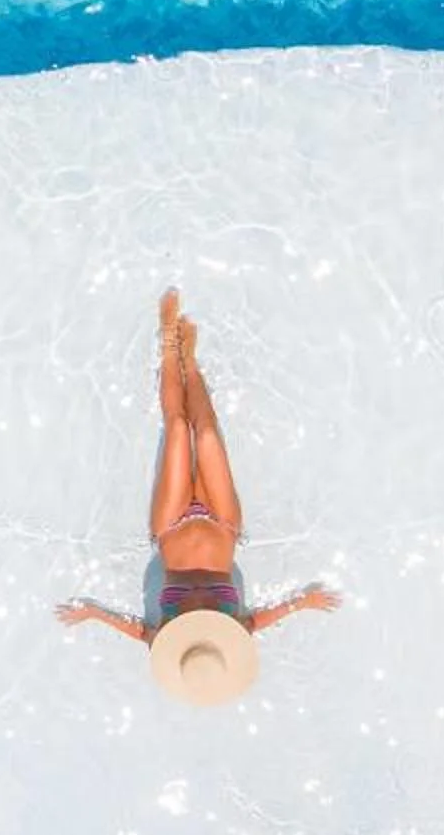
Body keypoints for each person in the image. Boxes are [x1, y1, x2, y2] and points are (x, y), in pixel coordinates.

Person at [56, 290, 340, 704]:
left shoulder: (164, 639)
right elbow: (264, 618)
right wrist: (305, 602)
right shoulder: (236, 632)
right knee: (205, 432)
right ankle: (189, 360)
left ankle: (169, 343)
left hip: (171, 526)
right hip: (222, 523)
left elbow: (135, 628)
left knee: (177, 428)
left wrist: (93, 613)